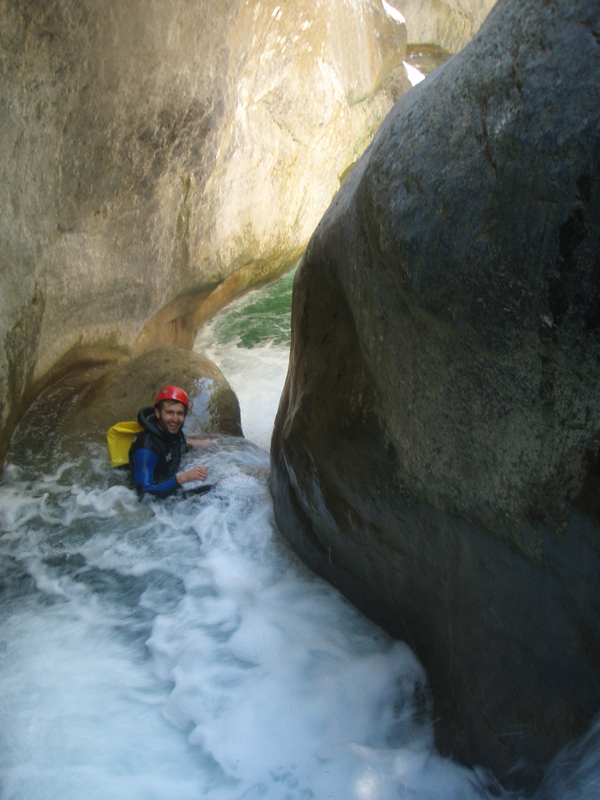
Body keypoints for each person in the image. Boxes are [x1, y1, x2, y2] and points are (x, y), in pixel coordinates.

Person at [128, 385, 212, 498]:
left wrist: (196, 444)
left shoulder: (170, 432)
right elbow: (144, 496)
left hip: (168, 485)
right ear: (158, 413)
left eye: (180, 413)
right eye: (169, 412)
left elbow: (172, 442)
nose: (175, 419)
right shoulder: (146, 448)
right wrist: (183, 478)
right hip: (154, 501)